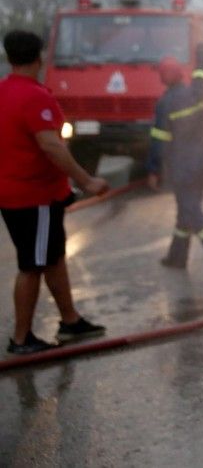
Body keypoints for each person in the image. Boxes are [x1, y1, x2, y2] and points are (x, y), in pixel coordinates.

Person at [0, 30, 109, 355]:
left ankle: (70, 321)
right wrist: (86, 181)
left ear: (8, 58)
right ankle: (21, 340)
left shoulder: (3, 92)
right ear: (40, 57)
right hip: (34, 198)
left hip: (15, 193)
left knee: (53, 258)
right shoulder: (35, 96)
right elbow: (51, 145)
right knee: (32, 266)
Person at [147, 46, 203, 275]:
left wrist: (153, 170)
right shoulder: (195, 93)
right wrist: (202, 55)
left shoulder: (165, 104)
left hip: (182, 168)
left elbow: (159, 142)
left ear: (162, 78)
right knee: (185, 211)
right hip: (202, 163)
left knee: (192, 212)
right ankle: (177, 256)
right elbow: (201, 77)